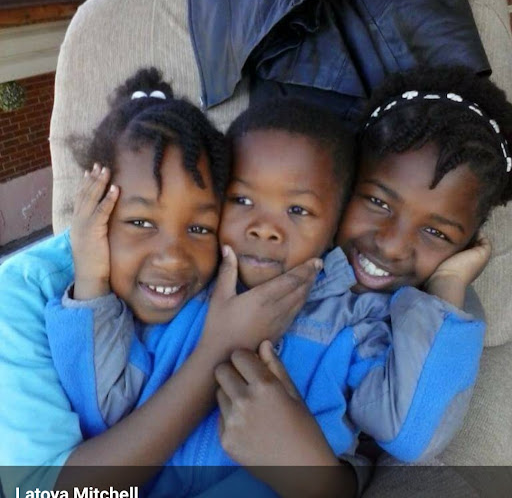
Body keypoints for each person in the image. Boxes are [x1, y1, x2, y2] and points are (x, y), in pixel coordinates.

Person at [46, 70, 497, 495]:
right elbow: (102, 408)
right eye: (242, 200)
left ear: (334, 223)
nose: (264, 229)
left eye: (298, 210)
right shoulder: (182, 293)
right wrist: (92, 279)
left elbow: (410, 435)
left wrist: (446, 290)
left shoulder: (355, 323)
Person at [0, 69, 322, 496]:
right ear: (92, 208)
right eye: (140, 221)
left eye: (200, 228)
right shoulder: (22, 291)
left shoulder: (226, 278)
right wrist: (218, 352)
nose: (173, 257)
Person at [205, 66, 512, 496]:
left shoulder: (373, 328)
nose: (392, 245)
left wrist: (447, 286)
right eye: (377, 202)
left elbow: (409, 436)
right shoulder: (263, 247)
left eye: (436, 232)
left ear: (465, 244)